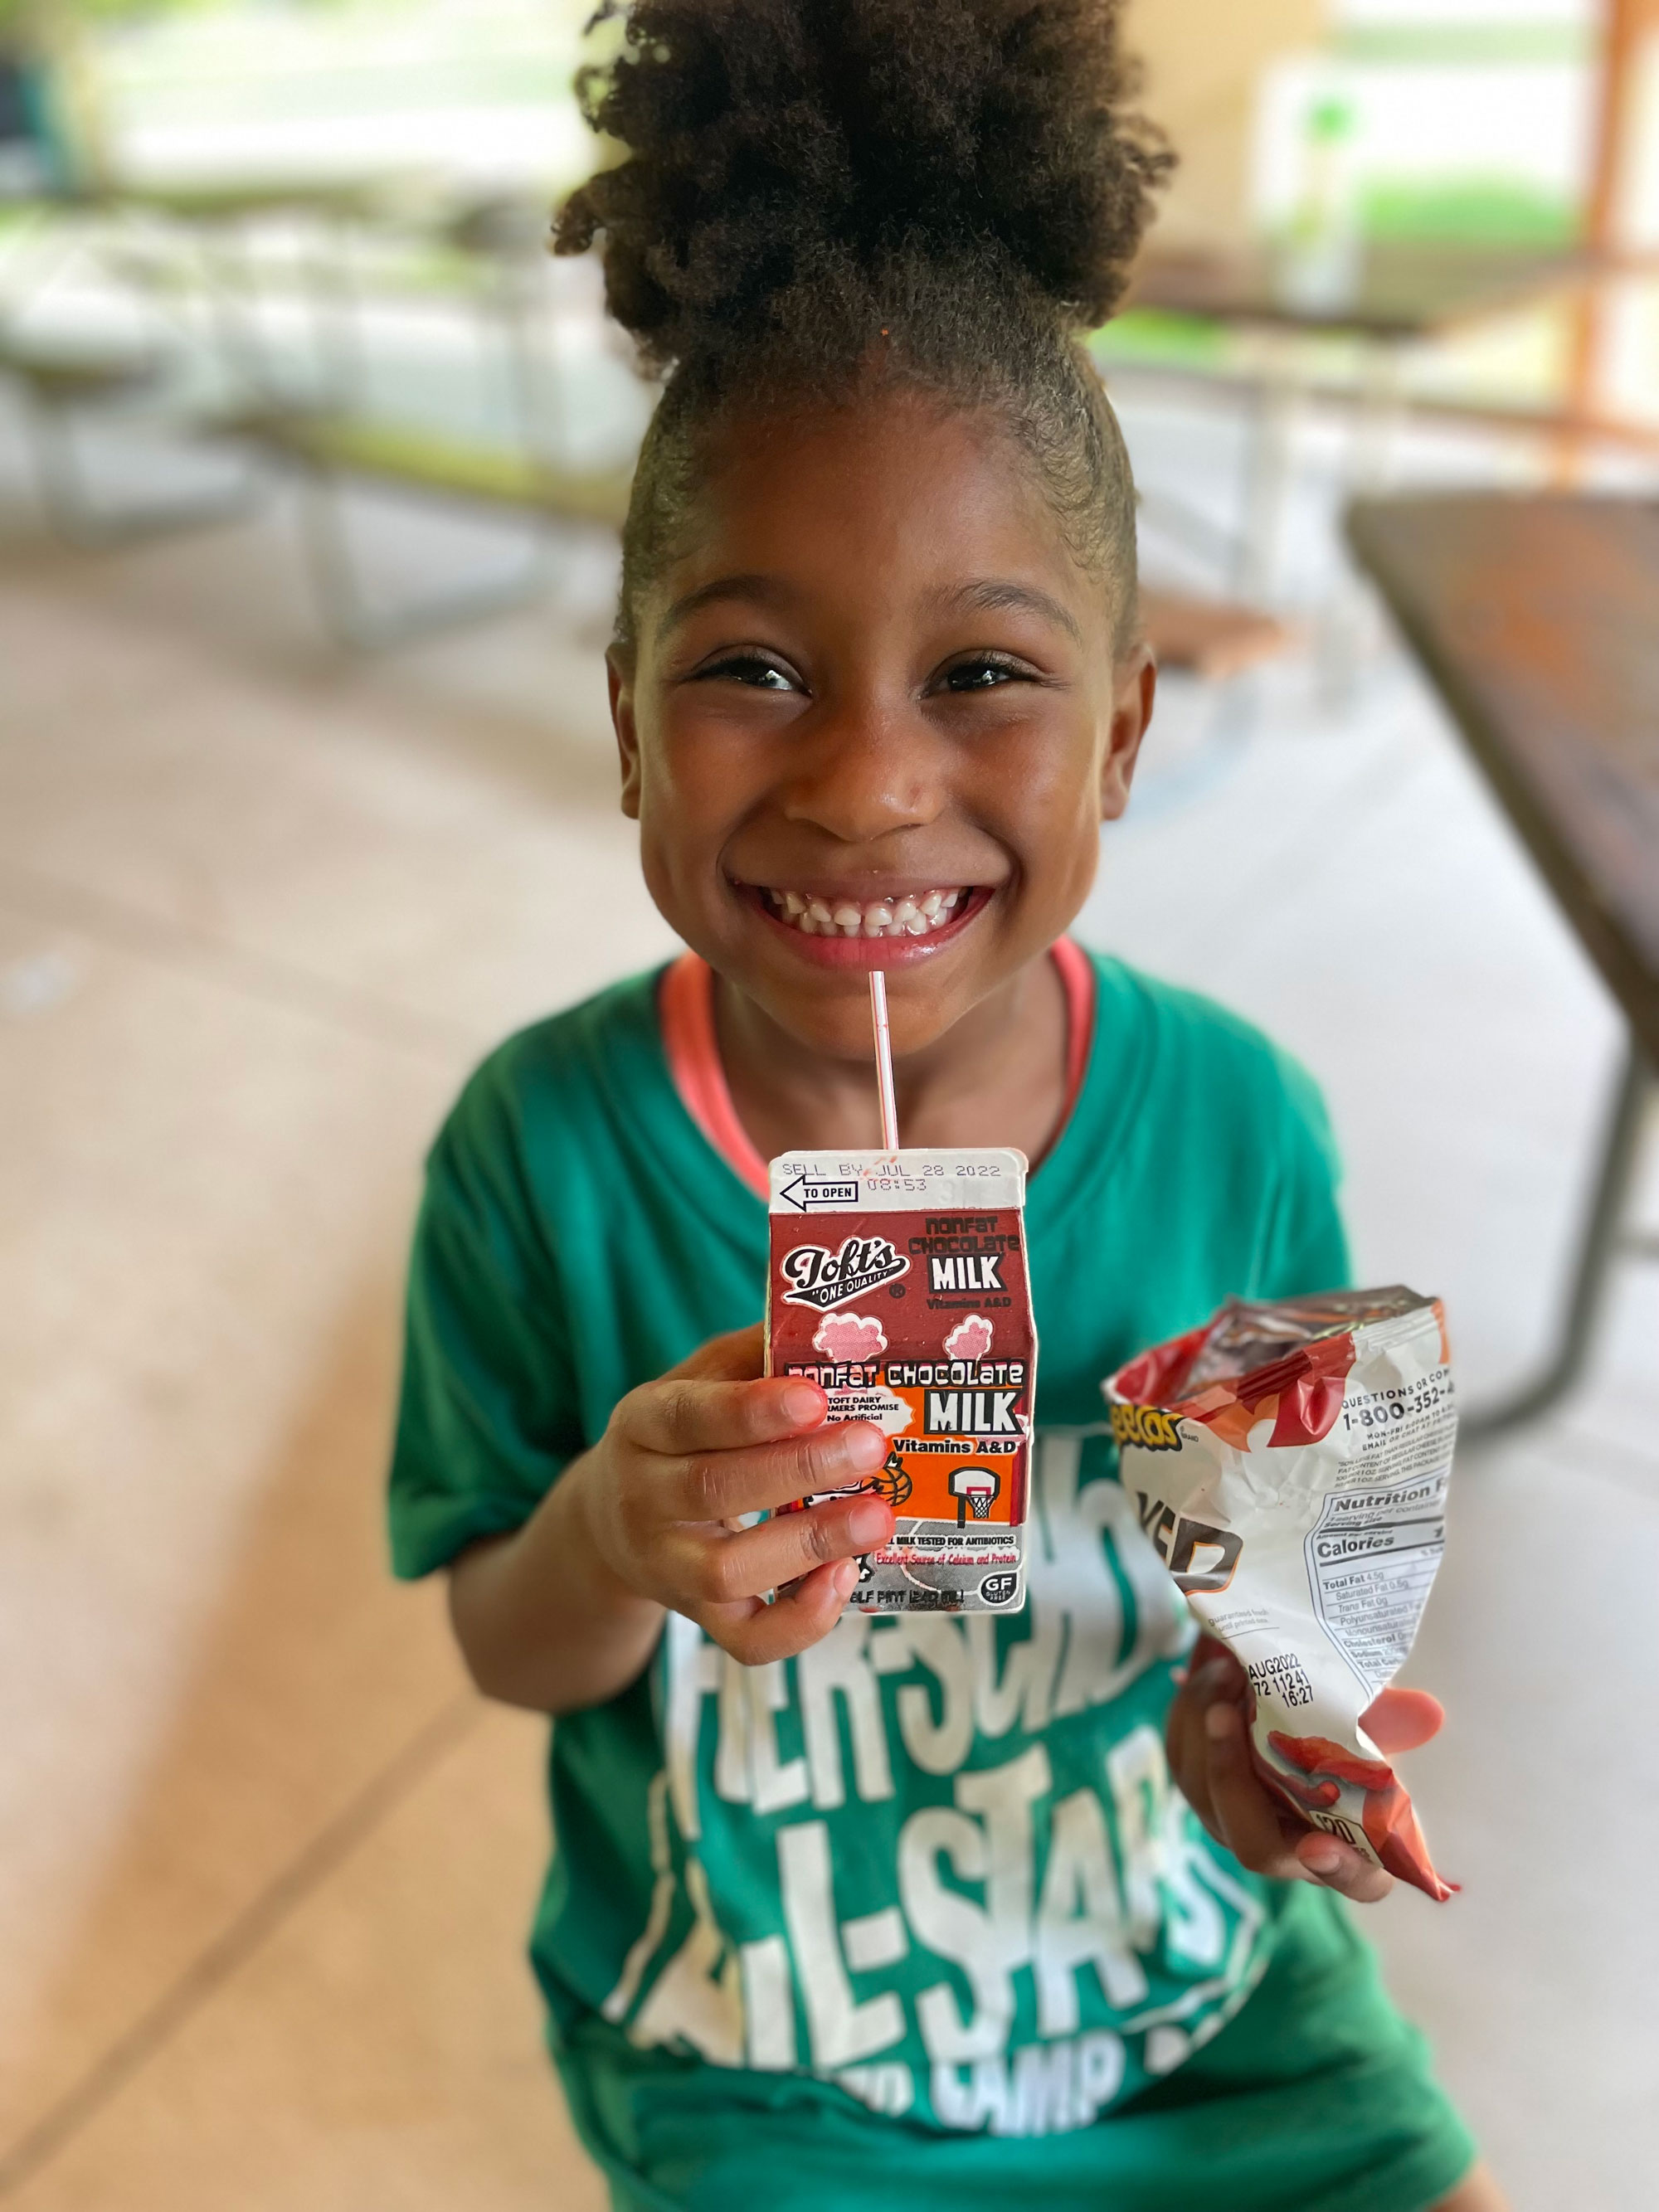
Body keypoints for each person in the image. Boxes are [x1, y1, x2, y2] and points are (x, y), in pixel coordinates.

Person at [387, 3, 1502, 2205]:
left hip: (1198, 2004)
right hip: (761, 2048)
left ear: (1121, 730)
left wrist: (1264, 1732)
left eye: (983, 671)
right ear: (626, 718)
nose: (869, 781)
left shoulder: (1242, 1124)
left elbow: (1277, 1620)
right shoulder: (534, 1157)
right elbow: (504, 1643)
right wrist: (615, 1533)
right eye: (750, 668)